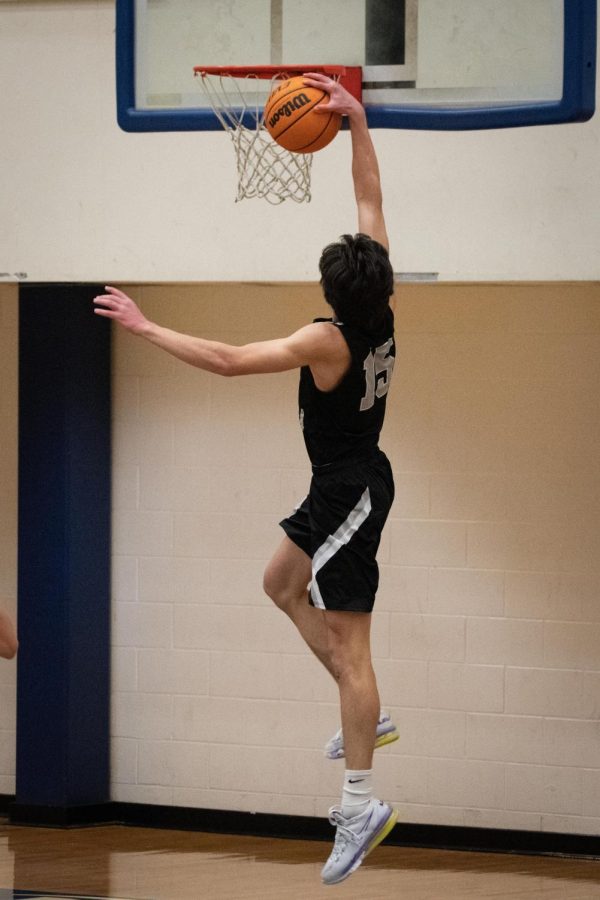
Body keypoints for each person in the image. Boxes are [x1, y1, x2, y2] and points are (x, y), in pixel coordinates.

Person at [94, 72, 398, 885]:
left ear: (332, 290)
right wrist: (358, 125)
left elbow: (229, 363)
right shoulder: (382, 299)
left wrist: (144, 323)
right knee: (277, 584)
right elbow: (371, 201)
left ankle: (360, 799)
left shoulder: (327, 337)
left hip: (351, 487)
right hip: (344, 478)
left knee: (352, 642)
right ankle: (361, 704)